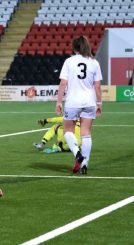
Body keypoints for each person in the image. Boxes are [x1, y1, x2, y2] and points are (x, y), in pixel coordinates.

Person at [56, 36, 102, 175]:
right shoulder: (94, 62)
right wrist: (99, 103)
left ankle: (77, 154)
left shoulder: (69, 61)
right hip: (89, 102)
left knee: (67, 131)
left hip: (73, 102)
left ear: (74, 47)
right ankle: (85, 164)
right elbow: (98, 86)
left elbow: (63, 83)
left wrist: (58, 102)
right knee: (86, 133)